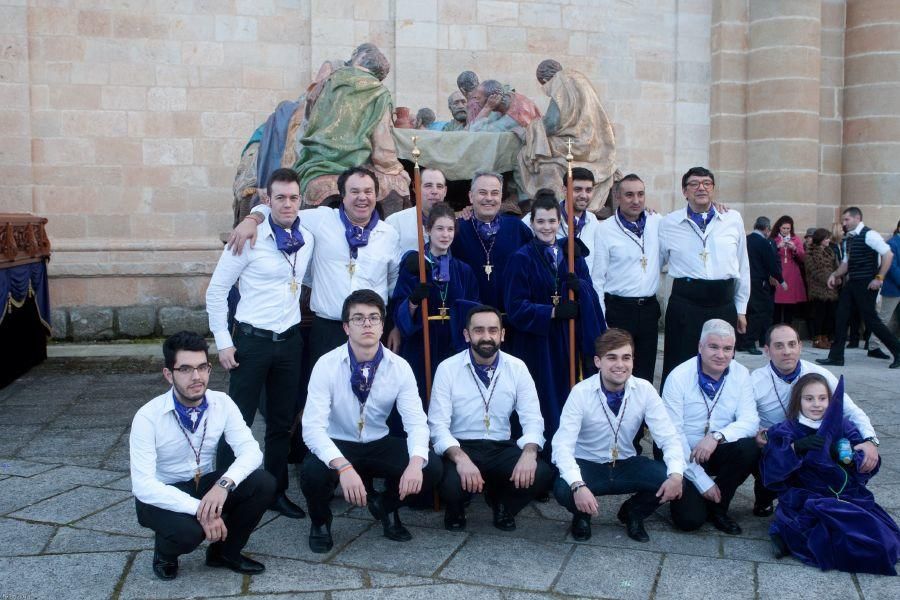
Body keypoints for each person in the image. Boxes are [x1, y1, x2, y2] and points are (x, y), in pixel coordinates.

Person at [206, 168, 314, 519]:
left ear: (301, 200)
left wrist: (257, 214)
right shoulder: (248, 238)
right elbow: (217, 292)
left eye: (293, 197)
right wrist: (223, 342)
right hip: (252, 342)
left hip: (289, 341)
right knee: (238, 419)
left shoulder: (306, 238)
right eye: (279, 197)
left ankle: (276, 491)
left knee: (282, 423)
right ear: (268, 199)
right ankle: (223, 493)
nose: (287, 204)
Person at [300, 290, 441, 552]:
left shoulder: (399, 367)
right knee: (312, 472)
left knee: (430, 467)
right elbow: (312, 429)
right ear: (345, 327)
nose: (367, 324)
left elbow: (416, 423)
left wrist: (415, 462)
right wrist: (343, 467)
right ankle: (320, 522)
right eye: (358, 318)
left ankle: (386, 507)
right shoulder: (326, 365)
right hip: (338, 442)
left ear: (382, 324)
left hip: (378, 441)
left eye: (374, 318)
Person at [130, 332, 275, 580]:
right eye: (185, 369)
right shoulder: (147, 417)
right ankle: (165, 552)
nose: (196, 377)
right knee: (190, 533)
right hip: (162, 493)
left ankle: (224, 553)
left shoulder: (223, 403)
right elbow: (143, 486)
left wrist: (223, 485)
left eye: (202, 367)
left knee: (263, 483)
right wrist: (201, 510)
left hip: (206, 483)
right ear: (169, 374)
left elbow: (251, 451)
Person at [231, 167, 401, 372]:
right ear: (343, 196)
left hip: (371, 329)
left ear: (376, 195)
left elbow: (393, 282)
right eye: (355, 191)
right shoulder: (321, 220)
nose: (362, 198)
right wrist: (252, 219)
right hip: (328, 330)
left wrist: (395, 325)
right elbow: (283, 208)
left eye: (368, 191)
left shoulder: (389, 234)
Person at [552, 329, 685, 542]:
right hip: (588, 464)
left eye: (626, 357)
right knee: (563, 487)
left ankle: (633, 512)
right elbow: (562, 446)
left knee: (672, 478)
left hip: (625, 463)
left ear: (633, 360)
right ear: (598, 361)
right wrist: (578, 485)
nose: (620, 365)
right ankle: (582, 515)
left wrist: (676, 475)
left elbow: (668, 437)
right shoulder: (580, 392)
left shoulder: (645, 390)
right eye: (611, 358)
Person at [428, 305, 554, 532]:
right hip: (462, 445)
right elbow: (437, 425)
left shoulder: (517, 367)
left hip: (500, 447)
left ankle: (502, 504)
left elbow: (533, 419)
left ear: (502, 335)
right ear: (467, 335)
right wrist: (461, 458)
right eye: (478, 330)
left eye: (493, 330)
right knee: (447, 483)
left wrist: (529, 452)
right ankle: (456, 507)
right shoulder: (447, 369)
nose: (486, 337)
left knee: (542, 473)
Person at [761, 373, 900, 575]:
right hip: (805, 494)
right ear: (798, 401)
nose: (816, 404)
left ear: (831, 400)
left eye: (822, 398)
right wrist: (795, 448)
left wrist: (850, 456)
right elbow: (771, 467)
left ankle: (788, 537)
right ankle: (786, 534)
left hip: (845, 493)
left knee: (880, 535)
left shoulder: (843, 425)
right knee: (831, 530)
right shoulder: (787, 428)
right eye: (809, 399)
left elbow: (866, 461)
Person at [503, 193, 606, 441]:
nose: (546, 227)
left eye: (551, 221)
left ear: (558, 221)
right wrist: (552, 311)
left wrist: (580, 286)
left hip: (569, 338)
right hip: (538, 342)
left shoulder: (571, 254)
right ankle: (543, 447)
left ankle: (573, 445)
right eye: (541, 222)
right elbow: (515, 306)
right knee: (543, 395)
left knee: (570, 393)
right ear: (532, 223)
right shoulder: (521, 258)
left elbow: (590, 290)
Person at [750, 323, 879, 516]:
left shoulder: (821, 374)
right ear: (767, 350)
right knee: (760, 452)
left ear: (800, 346)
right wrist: (756, 433)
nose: (787, 351)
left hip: (817, 444)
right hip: (778, 442)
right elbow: (743, 417)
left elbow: (851, 410)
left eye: (792, 344)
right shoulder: (754, 381)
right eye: (779, 346)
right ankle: (765, 497)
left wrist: (870, 440)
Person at [661, 319, 759, 535]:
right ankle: (697, 494)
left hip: (717, 449)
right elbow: (672, 436)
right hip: (684, 455)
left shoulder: (741, 373)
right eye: (714, 347)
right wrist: (701, 480)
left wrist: (717, 436)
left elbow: (750, 421)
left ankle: (719, 509)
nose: (721, 355)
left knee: (749, 448)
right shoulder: (678, 377)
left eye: (727, 349)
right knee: (689, 521)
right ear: (700, 346)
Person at [659, 167, 750, 388]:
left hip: (722, 302)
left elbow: (743, 265)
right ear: (684, 191)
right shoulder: (667, 223)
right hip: (685, 303)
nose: (701, 187)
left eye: (707, 183)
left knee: (720, 362)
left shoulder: (732, 219)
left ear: (714, 189)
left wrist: (741, 308)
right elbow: (655, 263)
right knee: (679, 363)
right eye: (694, 183)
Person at [293, 43, 410, 211]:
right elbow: (382, 143)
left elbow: (309, 111)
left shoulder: (330, 79)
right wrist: (395, 168)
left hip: (315, 159)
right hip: (355, 161)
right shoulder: (379, 91)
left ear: (358, 58)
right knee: (398, 184)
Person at [391, 202, 480, 397]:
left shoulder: (464, 270)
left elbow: (473, 310)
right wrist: (413, 301)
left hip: (453, 346)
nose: (445, 235)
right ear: (428, 229)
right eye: (439, 228)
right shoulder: (415, 266)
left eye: (450, 229)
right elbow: (399, 305)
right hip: (420, 344)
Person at [517, 59, 618, 212]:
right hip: (595, 144)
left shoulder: (560, 82)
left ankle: (529, 202)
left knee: (525, 154)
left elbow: (552, 123)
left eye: (544, 86)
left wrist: (531, 128)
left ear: (545, 80)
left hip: (576, 144)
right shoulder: (579, 79)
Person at [593, 174, 662, 382]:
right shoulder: (604, 229)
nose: (636, 200)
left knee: (646, 371)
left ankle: (642, 414)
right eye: (629, 195)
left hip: (649, 309)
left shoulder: (657, 222)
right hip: (619, 310)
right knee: (617, 370)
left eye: (640, 194)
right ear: (617, 196)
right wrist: (602, 317)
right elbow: (598, 279)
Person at [818, 207, 900, 369]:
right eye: (844, 220)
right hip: (853, 282)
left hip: (867, 283)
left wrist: (879, 277)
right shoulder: (850, 238)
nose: (844, 223)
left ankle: (898, 352)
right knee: (841, 317)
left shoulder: (870, 235)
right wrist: (835, 274)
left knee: (872, 320)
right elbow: (846, 263)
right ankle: (836, 356)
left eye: (847, 220)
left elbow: (888, 255)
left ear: (857, 218)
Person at [451, 171, 533, 313]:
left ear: (501, 197)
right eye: (482, 192)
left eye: (495, 193)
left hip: (512, 316)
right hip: (470, 317)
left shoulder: (517, 228)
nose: (489, 198)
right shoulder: (456, 230)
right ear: (471, 196)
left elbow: (536, 262)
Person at [521, 168, 600, 277]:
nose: (583, 195)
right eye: (577, 189)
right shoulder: (535, 219)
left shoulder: (593, 221)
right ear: (564, 189)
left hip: (582, 289)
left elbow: (597, 268)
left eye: (588, 190)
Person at [738, 216, 784, 355]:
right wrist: (781, 279)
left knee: (744, 311)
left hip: (744, 280)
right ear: (766, 229)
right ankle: (750, 342)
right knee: (757, 313)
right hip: (758, 281)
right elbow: (771, 263)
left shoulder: (746, 239)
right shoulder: (763, 243)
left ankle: (741, 342)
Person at [385, 168, 448, 253]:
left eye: (439, 186)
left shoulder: (453, 224)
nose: (434, 191)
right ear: (416, 188)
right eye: (428, 185)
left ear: (445, 191)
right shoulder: (395, 222)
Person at [869, 219, 900, 360]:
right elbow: (892, 268)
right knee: (884, 317)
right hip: (894, 287)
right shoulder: (892, 243)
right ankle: (873, 346)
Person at [804, 228, 840, 349]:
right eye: (826, 238)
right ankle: (818, 339)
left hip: (831, 288)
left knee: (829, 315)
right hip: (818, 288)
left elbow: (836, 266)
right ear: (820, 239)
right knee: (819, 314)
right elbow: (815, 271)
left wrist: (837, 276)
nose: (828, 240)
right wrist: (829, 278)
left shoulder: (830, 251)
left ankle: (825, 337)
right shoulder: (811, 252)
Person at [770, 215, 807, 326]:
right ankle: (775, 329)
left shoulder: (795, 239)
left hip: (791, 274)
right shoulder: (773, 239)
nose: (786, 231)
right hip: (778, 273)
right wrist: (777, 247)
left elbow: (803, 257)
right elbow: (767, 255)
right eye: (784, 228)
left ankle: (788, 327)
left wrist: (794, 249)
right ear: (779, 228)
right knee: (776, 304)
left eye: (788, 229)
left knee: (789, 305)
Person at [468, 79, 542, 133]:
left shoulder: (514, 116)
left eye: (478, 98)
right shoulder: (506, 98)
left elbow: (475, 133)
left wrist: (486, 108)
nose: (476, 101)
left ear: (492, 99)